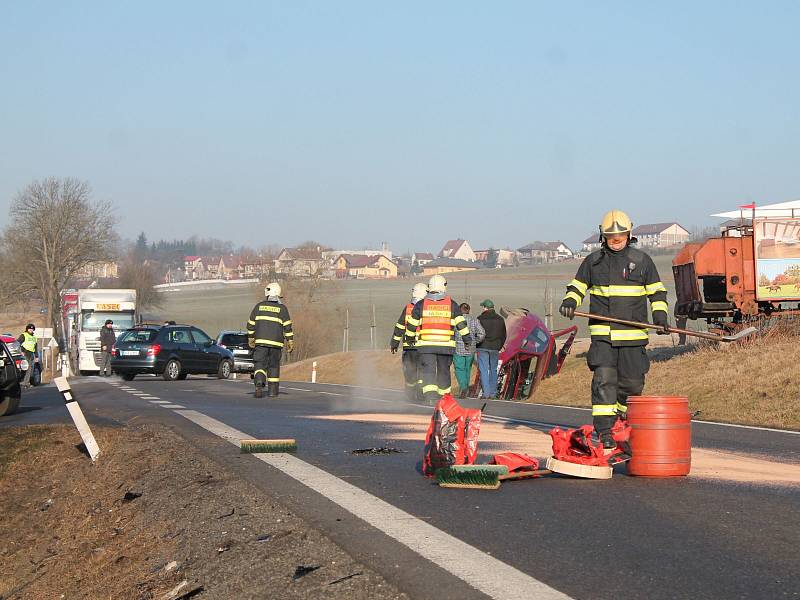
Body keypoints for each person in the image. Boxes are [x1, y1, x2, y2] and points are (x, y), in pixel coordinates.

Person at [559, 209, 669, 452]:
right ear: (603, 236)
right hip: (604, 337)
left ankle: (620, 421)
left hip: (633, 336)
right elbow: (577, 287)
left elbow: (657, 292)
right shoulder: (593, 263)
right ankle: (605, 431)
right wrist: (570, 301)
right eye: (611, 237)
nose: (616, 240)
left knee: (632, 386)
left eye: (620, 236)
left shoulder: (642, 262)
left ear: (629, 234)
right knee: (604, 381)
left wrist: (660, 315)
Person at [403, 274, 472, 405]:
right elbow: (461, 324)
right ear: (444, 287)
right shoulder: (451, 304)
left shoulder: (421, 304)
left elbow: (412, 323)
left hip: (426, 347)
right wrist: (467, 340)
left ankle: (430, 397)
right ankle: (444, 398)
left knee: (428, 371)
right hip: (446, 346)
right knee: (444, 371)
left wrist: (410, 338)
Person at [247, 282, 294, 398]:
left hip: (260, 343)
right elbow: (287, 326)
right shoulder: (282, 309)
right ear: (277, 294)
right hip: (276, 344)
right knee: (273, 366)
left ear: (268, 293)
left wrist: (251, 338)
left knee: (260, 364)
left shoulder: (258, 307)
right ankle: (273, 392)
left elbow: (250, 325)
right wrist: (290, 341)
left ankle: (259, 383)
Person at [390, 282, 428, 401]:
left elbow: (400, 326)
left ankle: (410, 394)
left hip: (409, 347)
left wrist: (394, 343)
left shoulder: (408, 308)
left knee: (410, 372)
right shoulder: (427, 308)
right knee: (423, 371)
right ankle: (421, 393)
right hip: (423, 346)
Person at [476, 299, 506, 399]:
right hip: (495, 348)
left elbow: (477, 333)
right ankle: (493, 393)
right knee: (493, 369)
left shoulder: (479, 318)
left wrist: (476, 344)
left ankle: (486, 393)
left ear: (485, 307)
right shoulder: (500, 319)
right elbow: (503, 335)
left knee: (484, 370)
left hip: (482, 346)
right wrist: (499, 346)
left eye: (483, 307)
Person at [454, 303, 485, 399]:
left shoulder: (455, 320)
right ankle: (465, 389)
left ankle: (463, 388)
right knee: (467, 368)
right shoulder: (475, 320)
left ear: (460, 310)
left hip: (458, 347)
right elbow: (482, 333)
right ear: (469, 310)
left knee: (459, 369)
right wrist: (475, 341)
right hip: (471, 348)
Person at [17, 323, 38, 388]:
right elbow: (18, 343)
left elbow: (35, 347)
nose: (31, 330)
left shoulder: (34, 337)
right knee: (24, 368)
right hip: (25, 353)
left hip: (31, 354)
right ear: (27, 329)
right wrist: (21, 351)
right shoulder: (23, 335)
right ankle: (22, 382)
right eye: (29, 329)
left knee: (30, 369)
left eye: (32, 329)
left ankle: (26, 383)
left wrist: (36, 356)